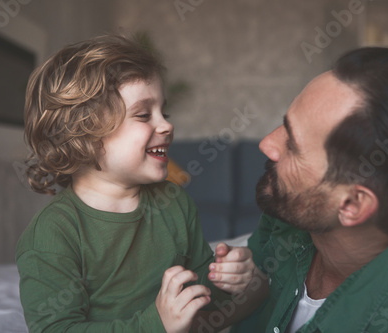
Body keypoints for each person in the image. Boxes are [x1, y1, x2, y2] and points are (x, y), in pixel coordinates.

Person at [16, 35, 266, 333]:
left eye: (165, 112)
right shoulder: (53, 231)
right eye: (144, 114)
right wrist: (156, 324)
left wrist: (239, 283)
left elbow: (203, 305)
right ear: (84, 135)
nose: (167, 125)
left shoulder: (173, 201)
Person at [232, 47, 388, 333]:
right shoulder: (296, 205)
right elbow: (238, 293)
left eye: (293, 145)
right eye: (283, 123)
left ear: (352, 205)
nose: (266, 143)